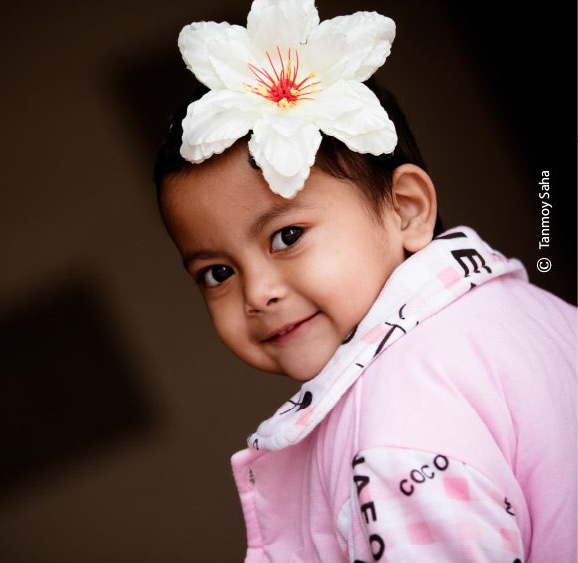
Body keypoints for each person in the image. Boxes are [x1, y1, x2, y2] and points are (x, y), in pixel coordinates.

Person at [152, 0, 577, 561]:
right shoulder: (536, 315)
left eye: (287, 236)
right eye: (218, 272)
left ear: (405, 208)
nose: (256, 294)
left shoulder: (393, 423)